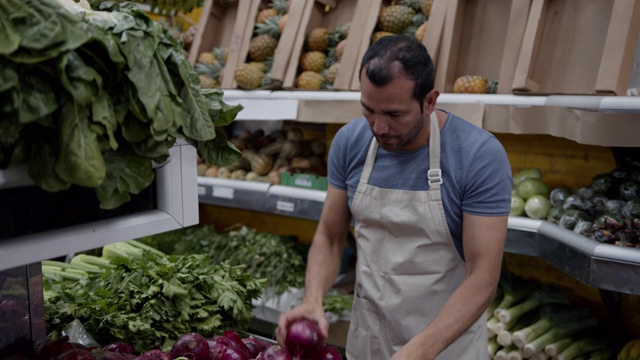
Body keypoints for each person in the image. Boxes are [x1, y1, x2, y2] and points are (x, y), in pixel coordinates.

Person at [276, 34, 512, 360]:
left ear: (429, 101)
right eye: (368, 110)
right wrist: (312, 299)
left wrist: (418, 350)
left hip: (444, 347)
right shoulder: (350, 142)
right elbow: (330, 238)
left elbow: (483, 277)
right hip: (369, 341)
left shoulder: (478, 155)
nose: (379, 127)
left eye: (395, 114)